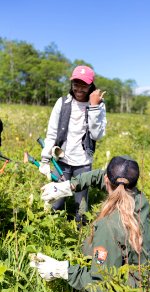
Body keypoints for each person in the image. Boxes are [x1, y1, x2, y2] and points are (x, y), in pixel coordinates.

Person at [30, 155, 150, 292]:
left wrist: (64, 270)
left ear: (106, 180)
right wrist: (69, 186)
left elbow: (102, 286)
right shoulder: (140, 200)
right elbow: (103, 178)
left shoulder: (109, 227)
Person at [39, 65, 107, 221]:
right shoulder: (62, 103)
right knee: (56, 201)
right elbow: (52, 133)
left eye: (84, 84)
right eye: (76, 84)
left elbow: (96, 135)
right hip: (61, 160)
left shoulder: (98, 105)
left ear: (91, 85)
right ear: (71, 84)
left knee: (81, 206)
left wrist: (95, 107)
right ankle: (51, 230)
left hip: (83, 162)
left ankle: (80, 235)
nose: (79, 88)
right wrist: (45, 159)